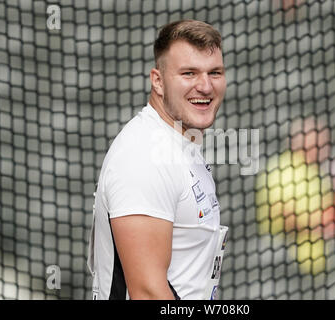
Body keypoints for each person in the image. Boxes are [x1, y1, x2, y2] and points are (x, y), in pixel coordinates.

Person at [87, 19, 228, 300]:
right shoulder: (143, 158)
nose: (205, 86)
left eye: (215, 73)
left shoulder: (176, 142)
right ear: (158, 81)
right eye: (189, 73)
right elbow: (149, 294)